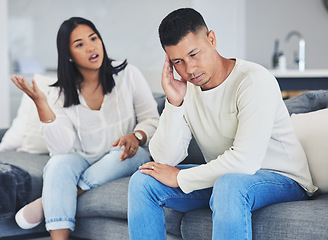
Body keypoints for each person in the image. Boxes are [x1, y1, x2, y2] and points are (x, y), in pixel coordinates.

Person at [128, 8, 316, 240]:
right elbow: (164, 160)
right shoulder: (187, 89)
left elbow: (245, 162)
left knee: (229, 185)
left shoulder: (254, 80)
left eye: (194, 54)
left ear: (212, 39)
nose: (189, 69)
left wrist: (180, 178)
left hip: (282, 179)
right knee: (143, 181)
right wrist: (174, 103)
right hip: (226, 178)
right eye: (178, 61)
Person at [12, 17, 159, 240]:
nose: (91, 46)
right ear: (69, 55)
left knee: (122, 153)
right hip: (83, 158)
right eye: (79, 44)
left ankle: (53, 199)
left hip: (127, 153)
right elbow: (61, 148)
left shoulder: (128, 75)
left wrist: (136, 136)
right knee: (57, 164)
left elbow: (152, 119)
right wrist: (41, 104)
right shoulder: (60, 93)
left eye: (93, 38)